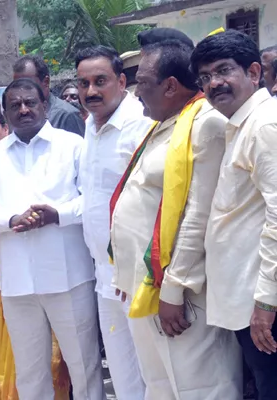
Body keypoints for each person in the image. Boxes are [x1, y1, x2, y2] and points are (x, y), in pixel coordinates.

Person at [110, 39, 242, 399]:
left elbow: (198, 214)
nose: (136, 92)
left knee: (199, 385)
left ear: (170, 86)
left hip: (179, 291)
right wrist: (126, 269)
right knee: (160, 385)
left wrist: (174, 288)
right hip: (145, 284)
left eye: (144, 82)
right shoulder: (165, 124)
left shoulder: (205, 124)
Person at [0, 78, 103, 400]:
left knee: (83, 367)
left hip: (68, 277)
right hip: (18, 283)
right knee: (30, 373)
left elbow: (94, 199)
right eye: (15, 105)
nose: (24, 109)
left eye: (30, 102)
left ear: (44, 104)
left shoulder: (72, 145)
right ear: (6, 113)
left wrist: (57, 215)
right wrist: (10, 220)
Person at [191, 30, 277, 399]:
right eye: (206, 77)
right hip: (246, 298)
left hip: (262, 304)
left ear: (254, 72)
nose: (215, 84)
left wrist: (266, 302)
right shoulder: (241, 124)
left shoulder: (263, 126)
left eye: (224, 71)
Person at [0, 106, 70, 400]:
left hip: (38, 262)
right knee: (8, 337)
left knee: (46, 339)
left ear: (5, 127)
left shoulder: (31, 163)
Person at [75, 45, 149, 399]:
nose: (91, 91)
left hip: (139, 274)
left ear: (122, 81)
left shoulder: (140, 124)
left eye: (100, 81)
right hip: (104, 274)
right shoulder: (90, 124)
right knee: (121, 371)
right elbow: (92, 201)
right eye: (84, 82)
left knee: (154, 372)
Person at [13, 55, 85, 136]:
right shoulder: (17, 114)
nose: (21, 90)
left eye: (27, 85)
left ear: (46, 82)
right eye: (17, 85)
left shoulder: (66, 115)